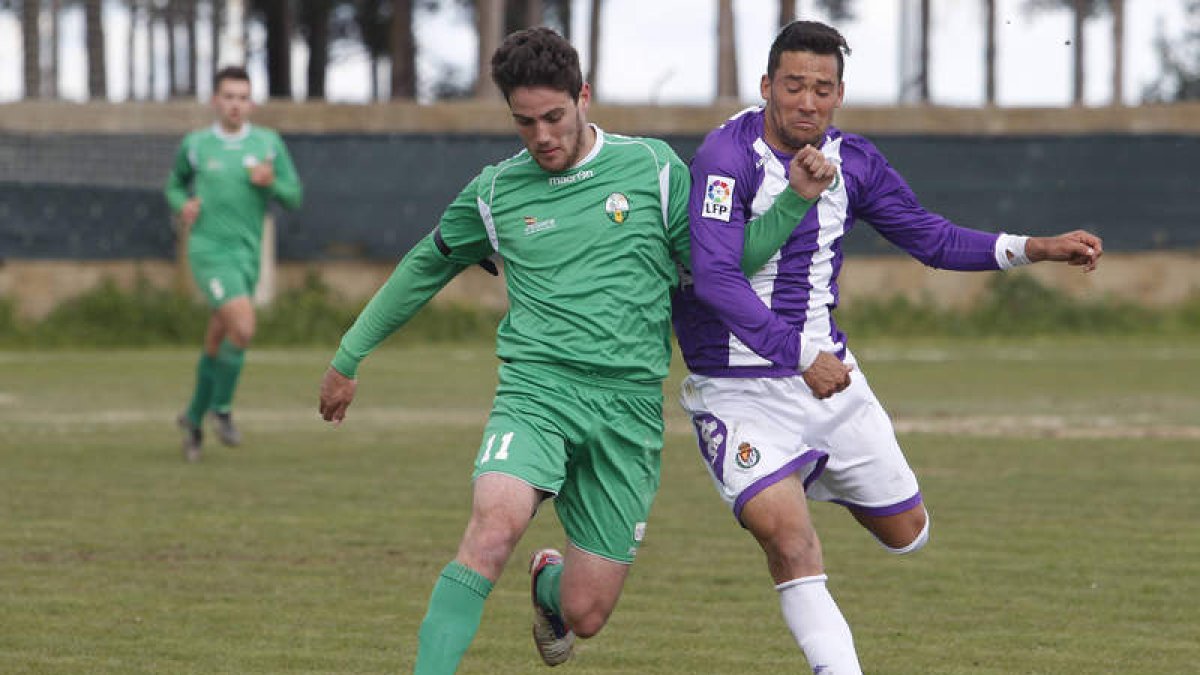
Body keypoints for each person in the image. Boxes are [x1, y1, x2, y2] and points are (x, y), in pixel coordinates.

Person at [317, 27, 835, 673]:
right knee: (493, 525)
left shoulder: (651, 169)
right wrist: (348, 356)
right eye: (524, 122)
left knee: (587, 613)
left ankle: (548, 586)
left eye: (554, 117)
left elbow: (721, 266)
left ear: (584, 96)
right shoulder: (495, 192)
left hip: (628, 410)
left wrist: (793, 200)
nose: (541, 136)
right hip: (538, 391)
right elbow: (426, 264)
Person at [673, 20, 1104, 674]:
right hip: (737, 392)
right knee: (789, 542)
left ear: (840, 94)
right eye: (794, 87)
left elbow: (930, 238)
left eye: (822, 89)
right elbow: (715, 278)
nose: (808, 102)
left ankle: (812, 465)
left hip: (831, 383)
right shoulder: (724, 158)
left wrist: (1034, 248)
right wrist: (795, 355)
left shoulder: (855, 162)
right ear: (766, 86)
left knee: (908, 532)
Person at [165, 65, 303, 462]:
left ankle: (192, 419)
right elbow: (174, 184)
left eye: (243, 97)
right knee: (243, 326)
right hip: (208, 251)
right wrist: (182, 204)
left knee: (217, 339)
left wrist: (271, 181)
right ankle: (220, 409)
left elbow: (294, 197)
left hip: (247, 254)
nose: (235, 105)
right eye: (228, 96)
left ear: (252, 103)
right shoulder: (195, 145)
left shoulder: (268, 144)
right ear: (215, 101)